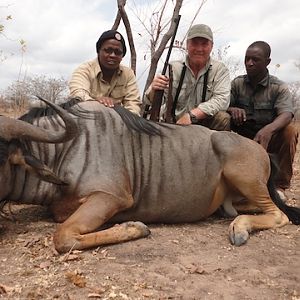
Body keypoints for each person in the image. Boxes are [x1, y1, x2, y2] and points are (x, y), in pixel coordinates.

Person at [228, 41, 298, 195]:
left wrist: (268, 130)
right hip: (242, 139)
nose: (249, 63)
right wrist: (232, 109)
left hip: (268, 140)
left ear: (267, 62)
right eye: (247, 59)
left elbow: (286, 114)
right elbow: (223, 105)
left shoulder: (278, 87)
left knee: (290, 131)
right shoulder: (237, 83)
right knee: (221, 118)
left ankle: (280, 186)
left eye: (255, 59)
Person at [144, 24, 231, 130]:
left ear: (211, 46)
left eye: (204, 44)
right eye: (194, 43)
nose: (199, 49)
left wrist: (192, 116)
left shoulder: (220, 70)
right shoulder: (172, 68)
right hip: (174, 125)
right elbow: (151, 101)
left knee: (223, 118)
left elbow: (222, 100)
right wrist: (154, 89)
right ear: (187, 44)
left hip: (203, 128)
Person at [69, 30, 141, 115]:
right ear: (98, 51)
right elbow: (79, 96)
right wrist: (98, 104)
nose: (113, 55)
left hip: (118, 123)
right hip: (86, 119)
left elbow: (133, 105)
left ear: (122, 56)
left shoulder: (128, 74)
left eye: (118, 52)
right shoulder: (84, 70)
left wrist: (128, 121)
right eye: (108, 50)